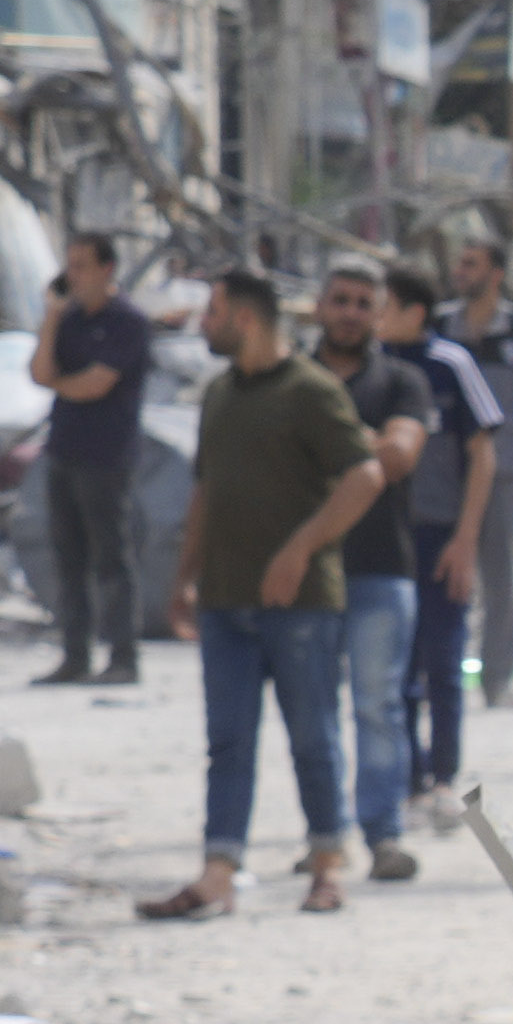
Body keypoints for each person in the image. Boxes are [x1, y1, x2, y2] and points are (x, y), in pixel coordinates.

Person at [144, 271, 388, 921]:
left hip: (300, 600)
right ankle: (218, 872)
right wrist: (183, 579)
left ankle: (328, 863)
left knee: (312, 735)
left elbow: (365, 476)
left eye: (214, 312)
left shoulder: (311, 391)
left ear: (246, 318)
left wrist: (301, 548)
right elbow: (205, 491)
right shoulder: (219, 394)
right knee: (228, 740)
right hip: (226, 597)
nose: (204, 324)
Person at [299, 264, 445, 877]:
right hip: (307, 569)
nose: (352, 312)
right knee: (312, 712)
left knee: (379, 705)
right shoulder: (294, 379)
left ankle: (383, 834)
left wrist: (333, 442)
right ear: (320, 307)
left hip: (381, 566)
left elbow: (401, 457)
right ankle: (326, 837)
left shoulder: (403, 381)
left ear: (380, 313)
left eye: (365, 303)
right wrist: (366, 442)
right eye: (341, 300)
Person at [383, 256, 513, 792]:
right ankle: (405, 775)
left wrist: (466, 538)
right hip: (384, 540)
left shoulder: (450, 363)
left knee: (443, 661)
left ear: (415, 312)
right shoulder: (374, 365)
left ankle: (444, 775)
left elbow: (482, 452)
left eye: (385, 306)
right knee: (393, 666)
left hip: (441, 534)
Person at [31, 229, 162, 689]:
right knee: (69, 558)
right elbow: (40, 372)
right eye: (70, 265)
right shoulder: (69, 321)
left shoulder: (127, 320)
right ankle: (75, 655)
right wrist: (50, 319)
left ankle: (123, 656)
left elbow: (96, 384)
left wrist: (63, 385)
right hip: (65, 448)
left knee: (111, 559)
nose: (74, 275)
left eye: (83, 265)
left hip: (106, 455)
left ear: (107, 269)